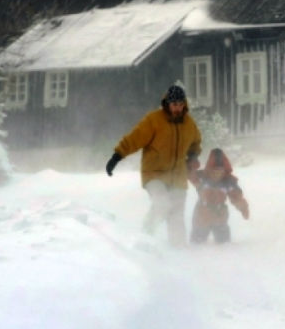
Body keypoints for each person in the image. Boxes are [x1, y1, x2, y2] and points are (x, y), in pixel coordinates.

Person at [105, 84, 201, 246]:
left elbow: (196, 143)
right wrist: (117, 156)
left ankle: (179, 251)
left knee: (176, 214)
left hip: (177, 176)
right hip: (154, 174)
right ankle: (145, 236)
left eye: (180, 104)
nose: (177, 108)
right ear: (167, 104)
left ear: (184, 104)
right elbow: (134, 139)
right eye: (174, 104)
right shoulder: (154, 120)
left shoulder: (189, 124)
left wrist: (192, 156)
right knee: (162, 204)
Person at [188, 148, 249, 244]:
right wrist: (190, 164)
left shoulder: (228, 182)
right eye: (214, 170)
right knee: (197, 244)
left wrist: (243, 208)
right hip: (201, 216)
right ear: (209, 169)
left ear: (224, 170)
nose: (217, 173)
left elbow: (236, 197)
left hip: (220, 215)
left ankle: (223, 249)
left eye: (220, 170)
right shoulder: (202, 178)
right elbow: (188, 174)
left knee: (224, 245)